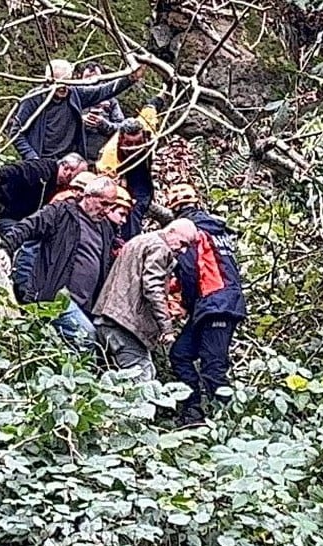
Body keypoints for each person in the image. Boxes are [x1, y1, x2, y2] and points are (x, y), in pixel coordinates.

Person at [3, 176, 120, 350]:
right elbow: (27, 227)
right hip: (56, 297)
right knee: (87, 338)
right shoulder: (61, 212)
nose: (107, 210)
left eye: (111, 205)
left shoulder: (105, 228)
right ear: (88, 196)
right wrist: (5, 249)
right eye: (103, 204)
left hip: (85, 304)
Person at [165, 183, 246, 426]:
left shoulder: (192, 231)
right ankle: (194, 412)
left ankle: (230, 425)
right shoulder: (218, 229)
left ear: (173, 209)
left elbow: (190, 272)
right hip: (216, 303)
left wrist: (185, 304)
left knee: (213, 368)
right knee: (180, 354)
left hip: (215, 305)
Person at [93, 219, 197, 380]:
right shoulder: (159, 247)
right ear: (171, 231)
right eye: (182, 243)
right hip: (124, 323)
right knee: (142, 376)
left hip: (109, 317)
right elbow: (153, 287)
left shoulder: (140, 240)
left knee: (123, 374)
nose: (183, 251)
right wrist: (166, 328)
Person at [11, 59, 143, 161]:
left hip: (70, 160)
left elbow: (103, 91)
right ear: (48, 81)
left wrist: (130, 78)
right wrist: (32, 157)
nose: (64, 87)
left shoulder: (75, 93)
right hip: (42, 160)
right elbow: (16, 133)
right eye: (58, 82)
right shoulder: (33, 99)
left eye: (68, 81)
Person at [97, 99, 162, 238]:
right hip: (122, 177)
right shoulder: (110, 156)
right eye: (129, 143)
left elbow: (151, 106)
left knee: (142, 200)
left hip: (143, 171)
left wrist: (166, 90)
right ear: (121, 139)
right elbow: (106, 186)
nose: (133, 147)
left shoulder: (147, 124)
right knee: (131, 211)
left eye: (137, 143)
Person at [0, 154, 87, 238]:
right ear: (66, 169)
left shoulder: (63, 188)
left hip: (24, 220)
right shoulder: (41, 169)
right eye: (76, 177)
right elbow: (16, 170)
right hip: (3, 213)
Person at [77, 62, 125, 161]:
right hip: (73, 158)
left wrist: (103, 124)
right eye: (88, 77)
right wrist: (79, 120)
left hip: (101, 158)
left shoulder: (111, 102)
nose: (92, 82)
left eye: (96, 78)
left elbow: (122, 128)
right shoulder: (73, 98)